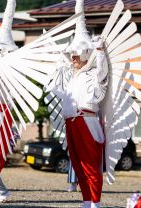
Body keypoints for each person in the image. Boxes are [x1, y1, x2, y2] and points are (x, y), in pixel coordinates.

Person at [46, 36, 108, 208]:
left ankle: (96, 203)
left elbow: (103, 74)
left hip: (86, 122)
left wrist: (101, 51)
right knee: (78, 166)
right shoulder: (72, 77)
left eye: (76, 55)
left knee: (90, 166)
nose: (73, 58)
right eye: (72, 55)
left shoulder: (92, 73)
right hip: (71, 124)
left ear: (85, 56)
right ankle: (87, 201)